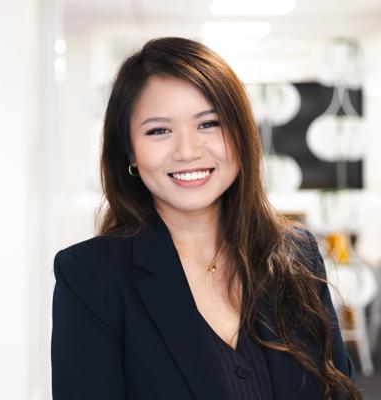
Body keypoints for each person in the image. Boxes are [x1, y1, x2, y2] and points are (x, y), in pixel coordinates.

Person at [51, 37, 362, 400]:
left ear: (241, 135)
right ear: (130, 152)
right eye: (159, 131)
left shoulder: (297, 254)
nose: (188, 151)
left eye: (209, 124)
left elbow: (338, 390)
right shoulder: (91, 275)